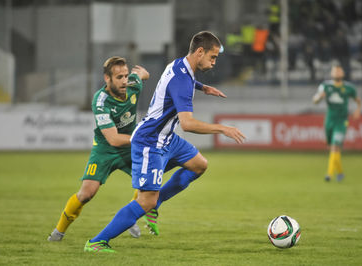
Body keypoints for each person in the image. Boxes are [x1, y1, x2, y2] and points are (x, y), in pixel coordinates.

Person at [84, 31, 246, 253]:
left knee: (199, 165)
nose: (214, 62)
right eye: (213, 56)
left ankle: (155, 205)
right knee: (145, 201)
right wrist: (222, 128)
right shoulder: (182, 79)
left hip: (167, 138)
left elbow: (182, 80)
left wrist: (201, 87)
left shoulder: (180, 65)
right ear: (200, 52)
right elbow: (187, 124)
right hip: (150, 141)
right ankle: (97, 242)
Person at [48, 56, 150, 241]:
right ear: (107, 79)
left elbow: (143, 75)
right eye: (119, 77)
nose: (125, 81)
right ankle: (58, 232)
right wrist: (143, 138)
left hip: (130, 147)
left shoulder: (133, 84)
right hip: (105, 149)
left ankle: (129, 215)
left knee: (147, 185)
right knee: (86, 194)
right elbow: (113, 139)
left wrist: (142, 74)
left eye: (126, 75)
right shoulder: (101, 101)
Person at [312, 65, 362, 182]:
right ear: (331, 74)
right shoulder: (325, 86)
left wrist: (358, 110)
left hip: (342, 120)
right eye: (335, 71)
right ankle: (340, 172)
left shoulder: (349, 88)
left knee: (335, 146)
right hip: (329, 120)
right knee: (332, 148)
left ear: (343, 73)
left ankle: (329, 174)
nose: (337, 73)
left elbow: (358, 100)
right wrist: (320, 97)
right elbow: (314, 100)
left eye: (339, 70)